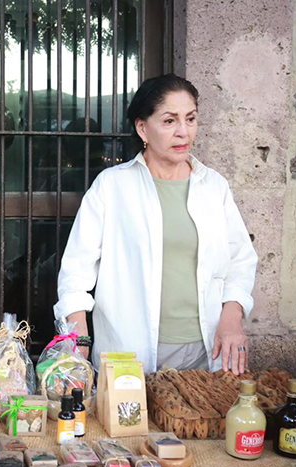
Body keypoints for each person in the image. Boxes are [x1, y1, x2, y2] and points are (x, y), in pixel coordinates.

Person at [54, 74, 258, 375]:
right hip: (130, 353)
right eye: (169, 121)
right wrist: (79, 338)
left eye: (190, 119)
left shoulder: (213, 186)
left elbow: (240, 260)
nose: (183, 132)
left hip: (206, 350)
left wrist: (232, 318)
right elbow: (76, 270)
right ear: (142, 128)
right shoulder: (112, 187)